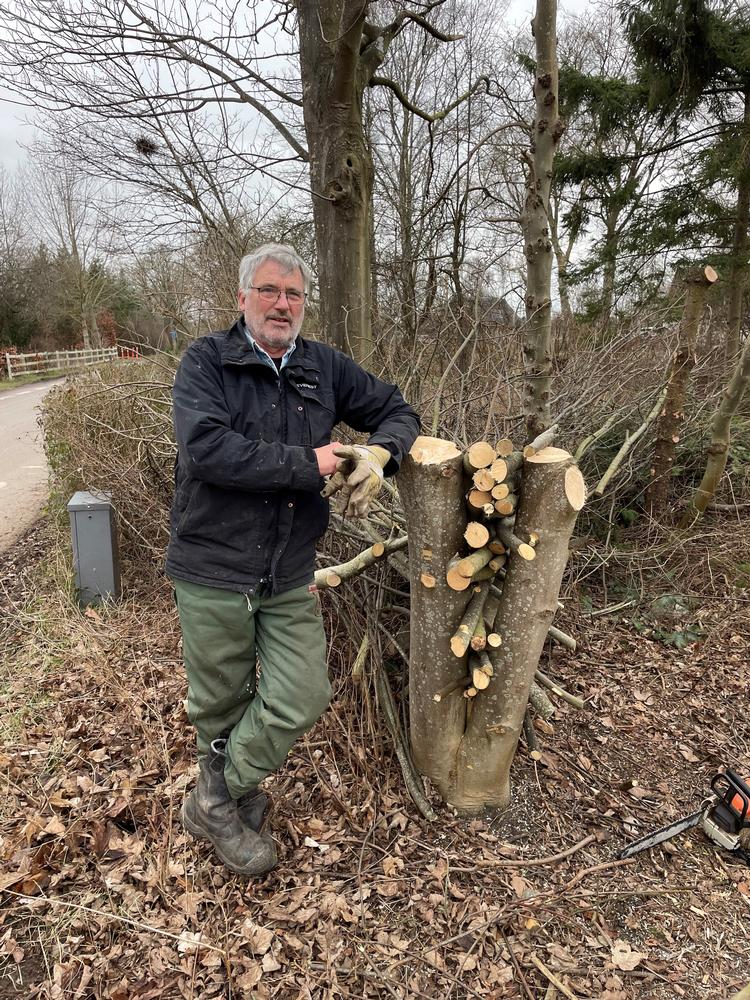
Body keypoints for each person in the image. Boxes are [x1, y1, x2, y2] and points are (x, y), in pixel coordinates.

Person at [166, 244, 420, 876]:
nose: (283, 305)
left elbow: (398, 411)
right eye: (271, 291)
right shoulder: (207, 362)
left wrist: (380, 455)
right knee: (221, 701)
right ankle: (229, 801)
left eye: (295, 295)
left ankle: (214, 793)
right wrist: (312, 463)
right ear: (243, 297)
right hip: (214, 566)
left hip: (287, 569)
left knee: (303, 693)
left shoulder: (322, 366)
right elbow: (209, 452)